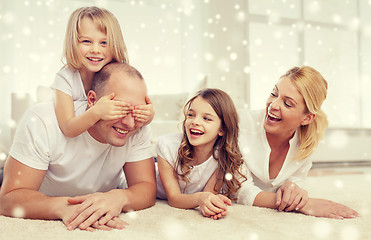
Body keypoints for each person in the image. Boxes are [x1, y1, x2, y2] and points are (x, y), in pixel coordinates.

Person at [0, 62, 156, 231]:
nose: (129, 123)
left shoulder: (138, 128)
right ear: (92, 100)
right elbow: (8, 199)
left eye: (137, 112)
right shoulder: (41, 121)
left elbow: (146, 187)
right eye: (119, 109)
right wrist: (62, 207)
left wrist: (120, 197)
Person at [237, 66, 359, 219]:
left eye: (287, 103)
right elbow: (239, 190)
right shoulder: (241, 124)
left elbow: (296, 181)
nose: (273, 105)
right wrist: (303, 204)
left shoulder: (306, 142)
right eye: (274, 94)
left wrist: (292, 188)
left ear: (307, 118)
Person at [52, 6, 154, 138]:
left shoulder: (118, 76)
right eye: (86, 41)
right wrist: (96, 112)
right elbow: (68, 128)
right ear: (73, 43)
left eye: (104, 43)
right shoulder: (65, 78)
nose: (95, 49)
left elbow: (132, 115)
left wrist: (149, 116)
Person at [156, 88, 246, 220]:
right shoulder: (167, 146)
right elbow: (174, 199)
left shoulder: (222, 157)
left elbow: (206, 195)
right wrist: (201, 198)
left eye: (206, 118)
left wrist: (213, 203)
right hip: (147, 184)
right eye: (191, 115)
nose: (195, 122)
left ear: (222, 129)